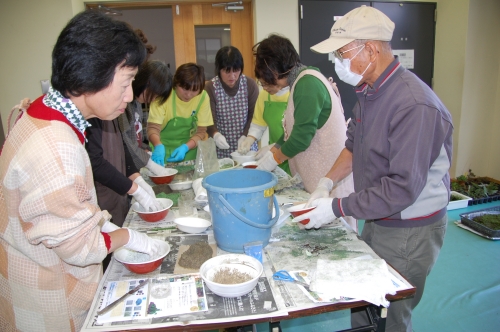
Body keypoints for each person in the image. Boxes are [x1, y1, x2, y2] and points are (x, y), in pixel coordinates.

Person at [0, 11, 164, 331]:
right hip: (49, 300)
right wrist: (128, 235)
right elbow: (80, 248)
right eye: (126, 82)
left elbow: (68, 208)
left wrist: (106, 223)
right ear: (92, 74)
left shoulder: (44, 110)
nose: (130, 96)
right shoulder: (57, 147)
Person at [295, 6, 453, 332]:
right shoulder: (370, 91)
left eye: (341, 54)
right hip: (379, 216)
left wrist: (336, 208)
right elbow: (353, 145)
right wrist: (326, 182)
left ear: (370, 49)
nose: (337, 64)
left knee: (389, 318)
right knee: (364, 304)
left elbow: (401, 188)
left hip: (410, 228)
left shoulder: (413, 104)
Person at [253, 34, 356, 230]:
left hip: (331, 185)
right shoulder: (299, 83)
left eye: (264, 79)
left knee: (337, 241)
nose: (264, 86)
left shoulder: (307, 84)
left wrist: (272, 160)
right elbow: (293, 131)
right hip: (318, 182)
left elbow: (300, 139)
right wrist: (274, 147)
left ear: (273, 70)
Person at [148, 63, 213, 164]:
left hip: (189, 153)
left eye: (194, 91)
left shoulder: (203, 97)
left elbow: (201, 132)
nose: (188, 94)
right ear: (176, 83)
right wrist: (158, 146)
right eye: (185, 89)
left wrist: (185, 147)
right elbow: (152, 129)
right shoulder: (164, 94)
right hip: (162, 153)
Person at [118, 60, 173, 173]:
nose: (153, 99)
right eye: (154, 94)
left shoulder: (137, 104)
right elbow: (127, 142)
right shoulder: (123, 106)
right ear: (145, 83)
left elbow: (137, 138)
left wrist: (147, 150)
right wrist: (149, 163)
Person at [205, 46, 259, 158]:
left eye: (236, 70)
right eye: (226, 71)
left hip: (246, 147)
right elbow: (208, 119)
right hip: (221, 149)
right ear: (219, 69)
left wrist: (245, 136)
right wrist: (215, 134)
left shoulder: (250, 85)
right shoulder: (211, 87)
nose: (232, 76)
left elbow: (254, 117)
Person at [238, 84, 291, 175]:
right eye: (262, 84)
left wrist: (274, 147)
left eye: (267, 83)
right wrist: (250, 139)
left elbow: (300, 133)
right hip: (273, 153)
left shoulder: (293, 93)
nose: (265, 88)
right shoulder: (264, 94)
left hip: (293, 153)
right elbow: (258, 123)